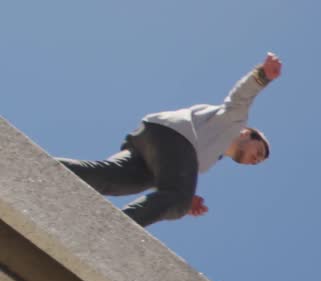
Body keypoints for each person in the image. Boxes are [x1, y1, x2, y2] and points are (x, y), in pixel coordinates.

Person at [58, 52, 283, 227]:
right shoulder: (235, 121)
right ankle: (112, 230)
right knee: (177, 198)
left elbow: (175, 170)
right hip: (173, 136)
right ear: (247, 133)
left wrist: (185, 197)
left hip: (151, 143)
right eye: (259, 151)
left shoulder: (210, 158)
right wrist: (262, 76)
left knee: (109, 177)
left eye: (258, 162)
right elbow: (241, 96)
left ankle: (38, 166)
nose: (256, 159)